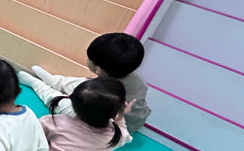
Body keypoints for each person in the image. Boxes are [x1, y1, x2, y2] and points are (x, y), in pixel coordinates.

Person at [18, 32, 152, 133]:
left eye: (90, 59)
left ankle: (37, 85)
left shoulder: (100, 94)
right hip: (131, 117)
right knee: (79, 82)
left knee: (62, 102)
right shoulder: (136, 79)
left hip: (106, 125)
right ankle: (53, 80)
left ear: (98, 69)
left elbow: (89, 105)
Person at [40, 77, 131, 151]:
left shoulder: (56, 122)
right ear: (116, 113)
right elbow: (126, 134)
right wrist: (120, 117)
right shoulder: (115, 136)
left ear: (72, 103)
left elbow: (34, 134)